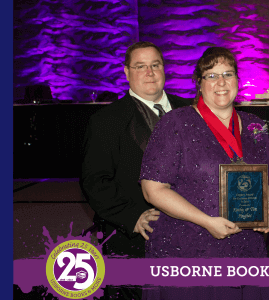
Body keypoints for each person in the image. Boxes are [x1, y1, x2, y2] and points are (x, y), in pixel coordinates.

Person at [140, 47, 269, 300]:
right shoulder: (175, 123)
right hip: (192, 249)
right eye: (211, 76)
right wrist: (206, 221)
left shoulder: (257, 126)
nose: (221, 82)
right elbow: (152, 189)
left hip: (246, 249)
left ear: (238, 80)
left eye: (228, 74)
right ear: (199, 84)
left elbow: (262, 183)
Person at [80, 41, 190, 298]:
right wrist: (132, 217)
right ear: (127, 72)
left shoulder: (192, 111)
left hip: (191, 229)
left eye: (155, 65)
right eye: (140, 66)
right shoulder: (105, 121)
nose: (149, 72)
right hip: (136, 237)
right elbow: (94, 181)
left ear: (164, 69)